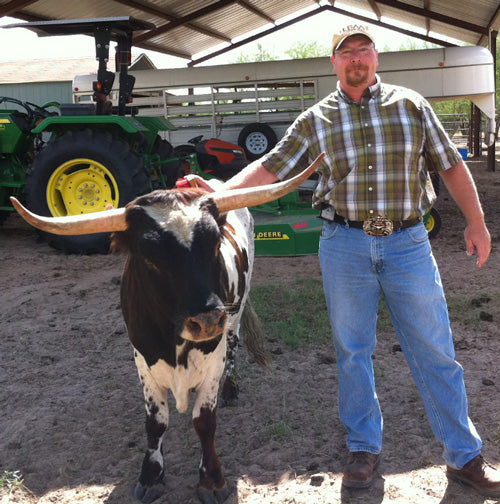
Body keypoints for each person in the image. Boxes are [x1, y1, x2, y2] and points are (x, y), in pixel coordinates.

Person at [192, 24, 498, 496]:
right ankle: (362, 447)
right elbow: (272, 166)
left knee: (435, 349)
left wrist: (476, 222)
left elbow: (452, 165)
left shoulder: (412, 106)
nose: (356, 58)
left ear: (377, 57)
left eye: (363, 49)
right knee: (352, 351)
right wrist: (217, 195)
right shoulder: (316, 119)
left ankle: (464, 457)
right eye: (345, 52)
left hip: (408, 243)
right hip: (344, 244)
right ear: (333, 63)